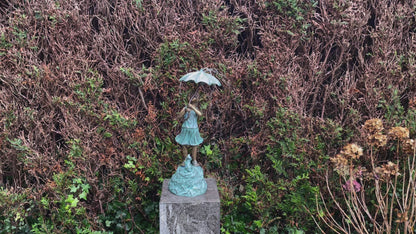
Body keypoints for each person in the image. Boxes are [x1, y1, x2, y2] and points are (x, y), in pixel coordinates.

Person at [175, 98, 203, 166]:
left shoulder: (196, 109)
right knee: (184, 145)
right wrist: (185, 110)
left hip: (194, 129)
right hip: (186, 128)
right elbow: (178, 116)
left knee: (195, 145)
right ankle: (185, 160)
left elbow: (200, 114)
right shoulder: (185, 108)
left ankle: (194, 160)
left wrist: (193, 108)